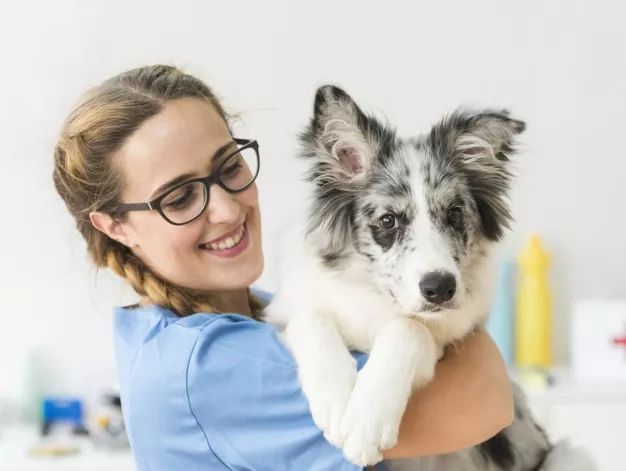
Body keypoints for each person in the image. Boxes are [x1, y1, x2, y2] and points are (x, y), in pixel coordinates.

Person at [52, 64, 513, 471]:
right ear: (116, 226)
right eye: (179, 197)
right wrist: (413, 333)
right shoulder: (213, 366)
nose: (228, 211)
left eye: (229, 167)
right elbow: (488, 400)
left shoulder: (237, 319)